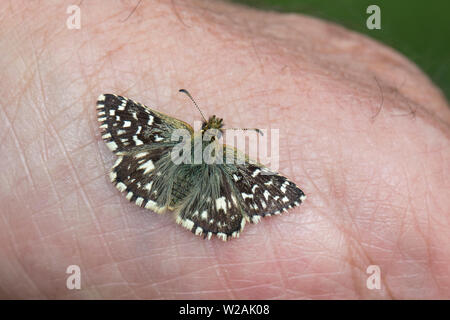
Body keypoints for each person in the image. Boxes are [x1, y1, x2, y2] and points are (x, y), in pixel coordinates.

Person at [1, 0, 449, 299]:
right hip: (212, 193)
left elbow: (281, 191)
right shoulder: (235, 163)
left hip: (165, 170)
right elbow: (109, 107)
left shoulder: (177, 134)